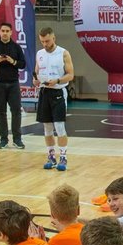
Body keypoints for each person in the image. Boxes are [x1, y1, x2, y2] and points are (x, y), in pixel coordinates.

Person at [34, 27, 74, 171]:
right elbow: (36, 72)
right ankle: (51, 156)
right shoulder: (39, 54)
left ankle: (63, 157)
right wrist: (35, 80)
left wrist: (57, 80)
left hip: (57, 92)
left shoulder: (63, 53)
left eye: (47, 41)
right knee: (47, 127)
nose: (45, 44)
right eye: (42, 41)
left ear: (54, 38)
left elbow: (70, 75)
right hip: (44, 92)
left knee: (59, 126)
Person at [0, 21, 26, 149]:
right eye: (3, 31)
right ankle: (3, 139)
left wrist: (12, 61)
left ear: (11, 32)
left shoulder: (16, 47)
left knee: (16, 111)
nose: (5, 33)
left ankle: (17, 139)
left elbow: (23, 64)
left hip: (13, 83)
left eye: (7, 31)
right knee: (1, 112)